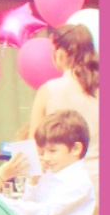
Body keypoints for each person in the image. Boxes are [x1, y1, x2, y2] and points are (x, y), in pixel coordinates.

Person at [27, 22, 99, 196]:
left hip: (60, 185)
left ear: (60, 54)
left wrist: (31, 186)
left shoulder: (49, 90)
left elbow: (33, 145)